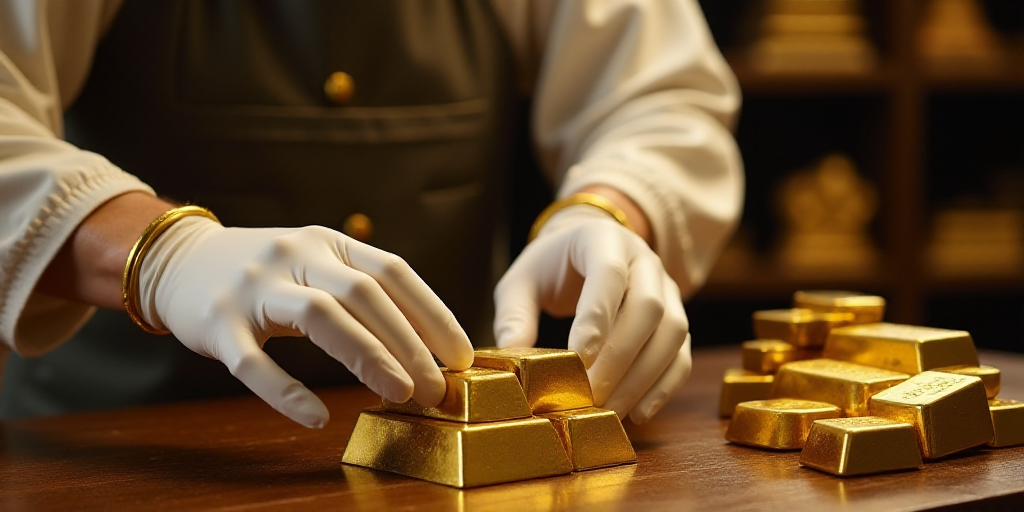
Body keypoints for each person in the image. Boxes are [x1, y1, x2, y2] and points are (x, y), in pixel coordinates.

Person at [0, 0, 742, 428]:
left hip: (449, 459)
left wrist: (611, 210)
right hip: (112, 452)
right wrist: (158, 252)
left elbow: (659, 95)